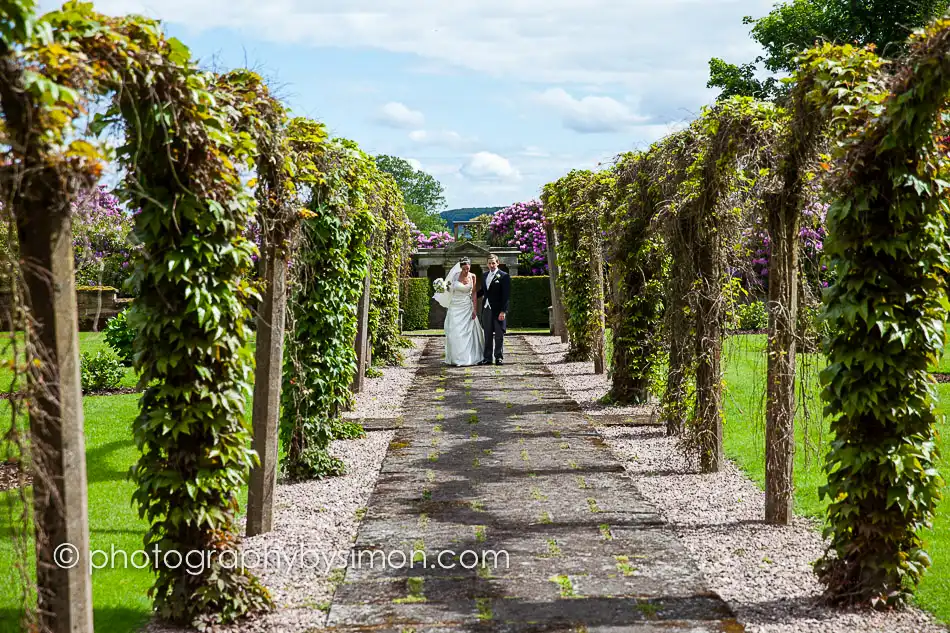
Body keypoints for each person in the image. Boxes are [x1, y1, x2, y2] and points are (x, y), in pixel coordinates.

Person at [433, 257, 484, 366]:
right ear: (461, 267)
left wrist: (475, 309)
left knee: (468, 332)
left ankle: (468, 357)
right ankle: (456, 358)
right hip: (455, 306)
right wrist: (443, 287)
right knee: (455, 332)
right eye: (464, 269)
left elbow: (474, 294)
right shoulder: (455, 276)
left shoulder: (473, 276)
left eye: (468, 269)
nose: (466, 271)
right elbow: (449, 290)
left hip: (466, 306)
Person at [477, 254, 510, 365]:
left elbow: (506, 296)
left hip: (498, 310)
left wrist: (503, 311)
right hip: (486, 308)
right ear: (487, 264)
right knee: (487, 334)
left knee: (499, 335)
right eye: (489, 263)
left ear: (497, 263)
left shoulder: (504, 276)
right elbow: (483, 291)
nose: (491, 265)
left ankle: (499, 357)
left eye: (493, 263)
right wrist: (470, 295)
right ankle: (487, 358)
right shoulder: (484, 275)